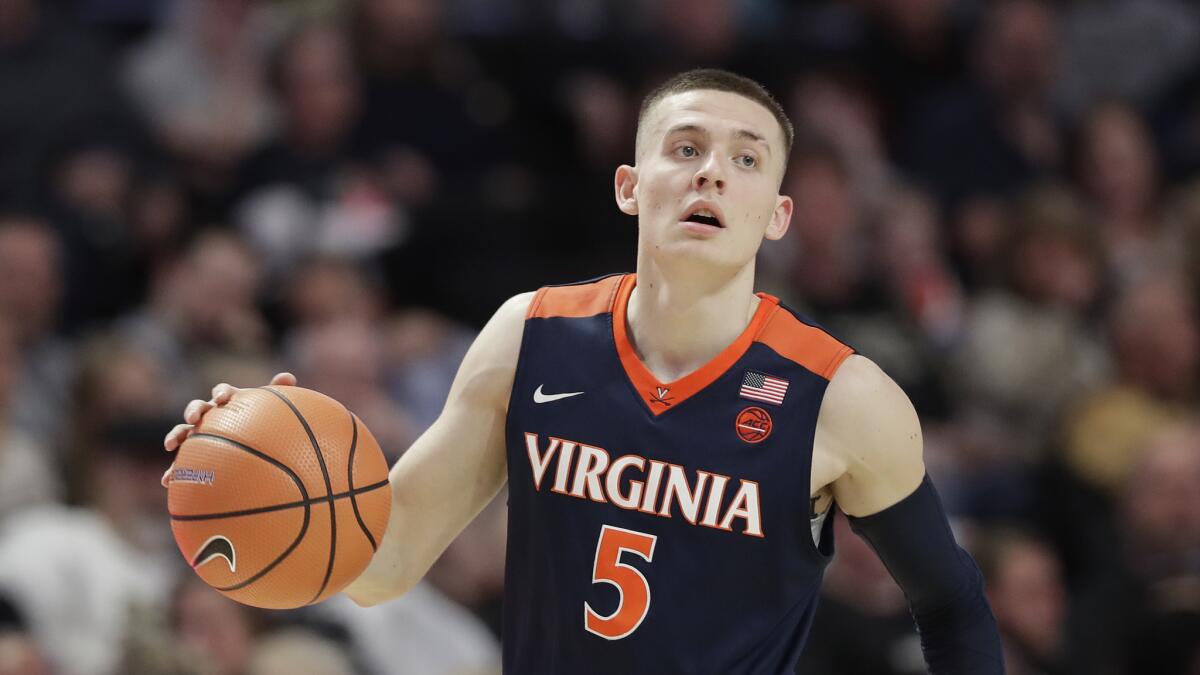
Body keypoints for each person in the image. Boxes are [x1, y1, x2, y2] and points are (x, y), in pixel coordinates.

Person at [165, 69, 1003, 674]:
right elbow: (383, 566)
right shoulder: (530, 336)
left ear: (778, 214)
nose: (712, 170)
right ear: (630, 186)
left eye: (747, 159)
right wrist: (258, 471)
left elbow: (951, 603)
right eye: (686, 147)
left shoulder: (842, 396)